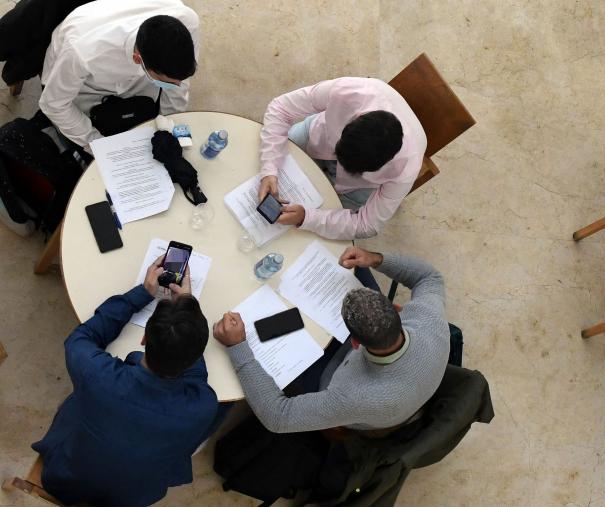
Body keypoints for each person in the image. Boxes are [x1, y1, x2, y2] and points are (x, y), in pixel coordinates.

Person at [31, 258, 220, 507]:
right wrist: (187, 313)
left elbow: (81, 338)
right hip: (131, 499)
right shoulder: (203, 406)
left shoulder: (97, 375)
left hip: (64, 479)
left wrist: (141, 294)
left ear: (143, 339)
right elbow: (198, 380)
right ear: (195, 358)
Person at [214, 246, 450, 433]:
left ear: (354, 344)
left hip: (349, 387)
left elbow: (278, 417)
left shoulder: (354, 396)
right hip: (407, 380)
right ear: (397, 309)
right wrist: (375, 258)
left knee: (279, 344)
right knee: (357, 267)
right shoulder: (428, 318)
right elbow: (430, 277)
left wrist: (238, 347)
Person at [256, 77, 427, 240]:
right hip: (317, 136)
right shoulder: (349, 91)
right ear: (355, 119)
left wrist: (307, 218)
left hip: (356, 187)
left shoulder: (407, 167)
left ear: (387, 162)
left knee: (303, 234)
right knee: (258, 165)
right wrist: (269, 168)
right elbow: (280, 108)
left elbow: (368, 225)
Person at [39, 0, 199, 149]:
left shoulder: (187, 21)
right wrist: (99, 145)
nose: (177, 86)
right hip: (84, 88)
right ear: (138, 59)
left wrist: (167, 123)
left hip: (134, 84)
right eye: (167, 83)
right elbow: (54, 105)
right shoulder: (82, 53)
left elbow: (179, 86)